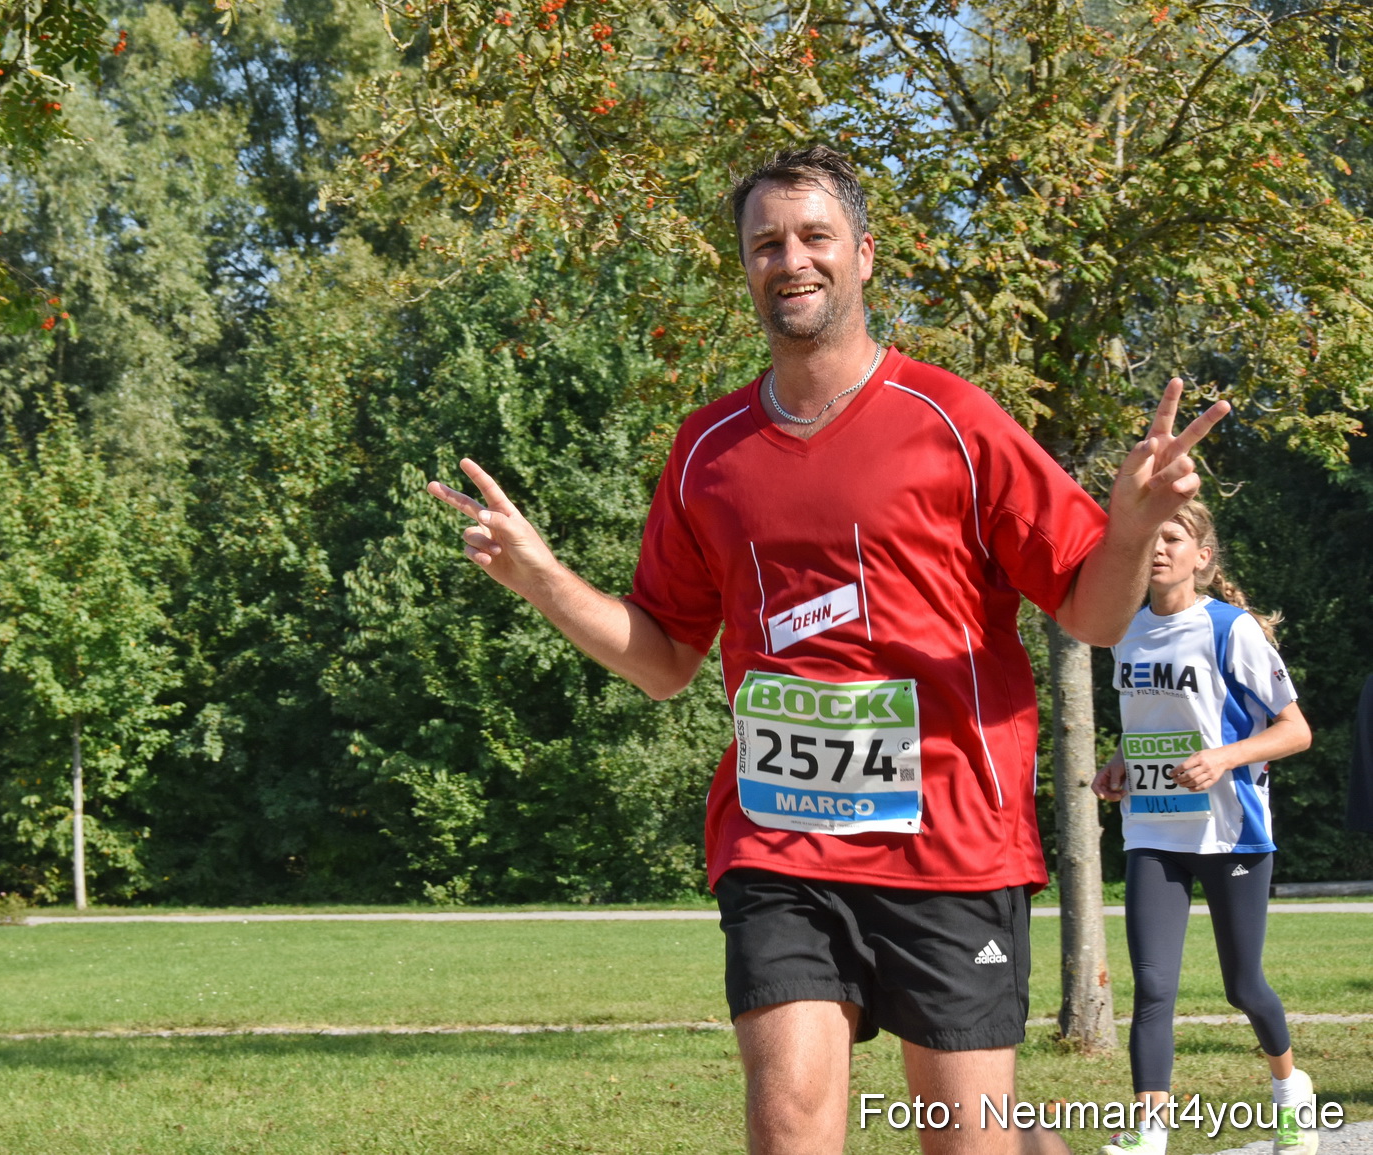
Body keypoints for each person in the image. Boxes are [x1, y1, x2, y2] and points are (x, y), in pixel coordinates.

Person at [427, 145, 1229, 1155]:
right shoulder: (705, 451)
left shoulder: (956, 422)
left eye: (813, 238)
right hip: (779, 838)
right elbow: (666, 658)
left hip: (949, 842)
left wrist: (1127, 526)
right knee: (789, 1121)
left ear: (863, 255)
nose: (790, 261)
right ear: (745, 267)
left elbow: (1094, 615)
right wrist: (543, 578)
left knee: (969, 1139)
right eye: (766, 243)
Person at [1091, 501, 1315, 1154]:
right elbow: (1147, 726)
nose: (1158, 548)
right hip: (1154, 830)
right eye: (1150, 537)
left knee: (1243, 985)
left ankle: (1289, 1088)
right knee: (1154, 985)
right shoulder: (1123, 631)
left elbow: (1295, 729)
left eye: (1174, 536)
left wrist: (1224, 756)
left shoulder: (1231, 628)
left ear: (1203, 556)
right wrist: (1118, 764)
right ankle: (1149, 1132)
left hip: (1232, 834)